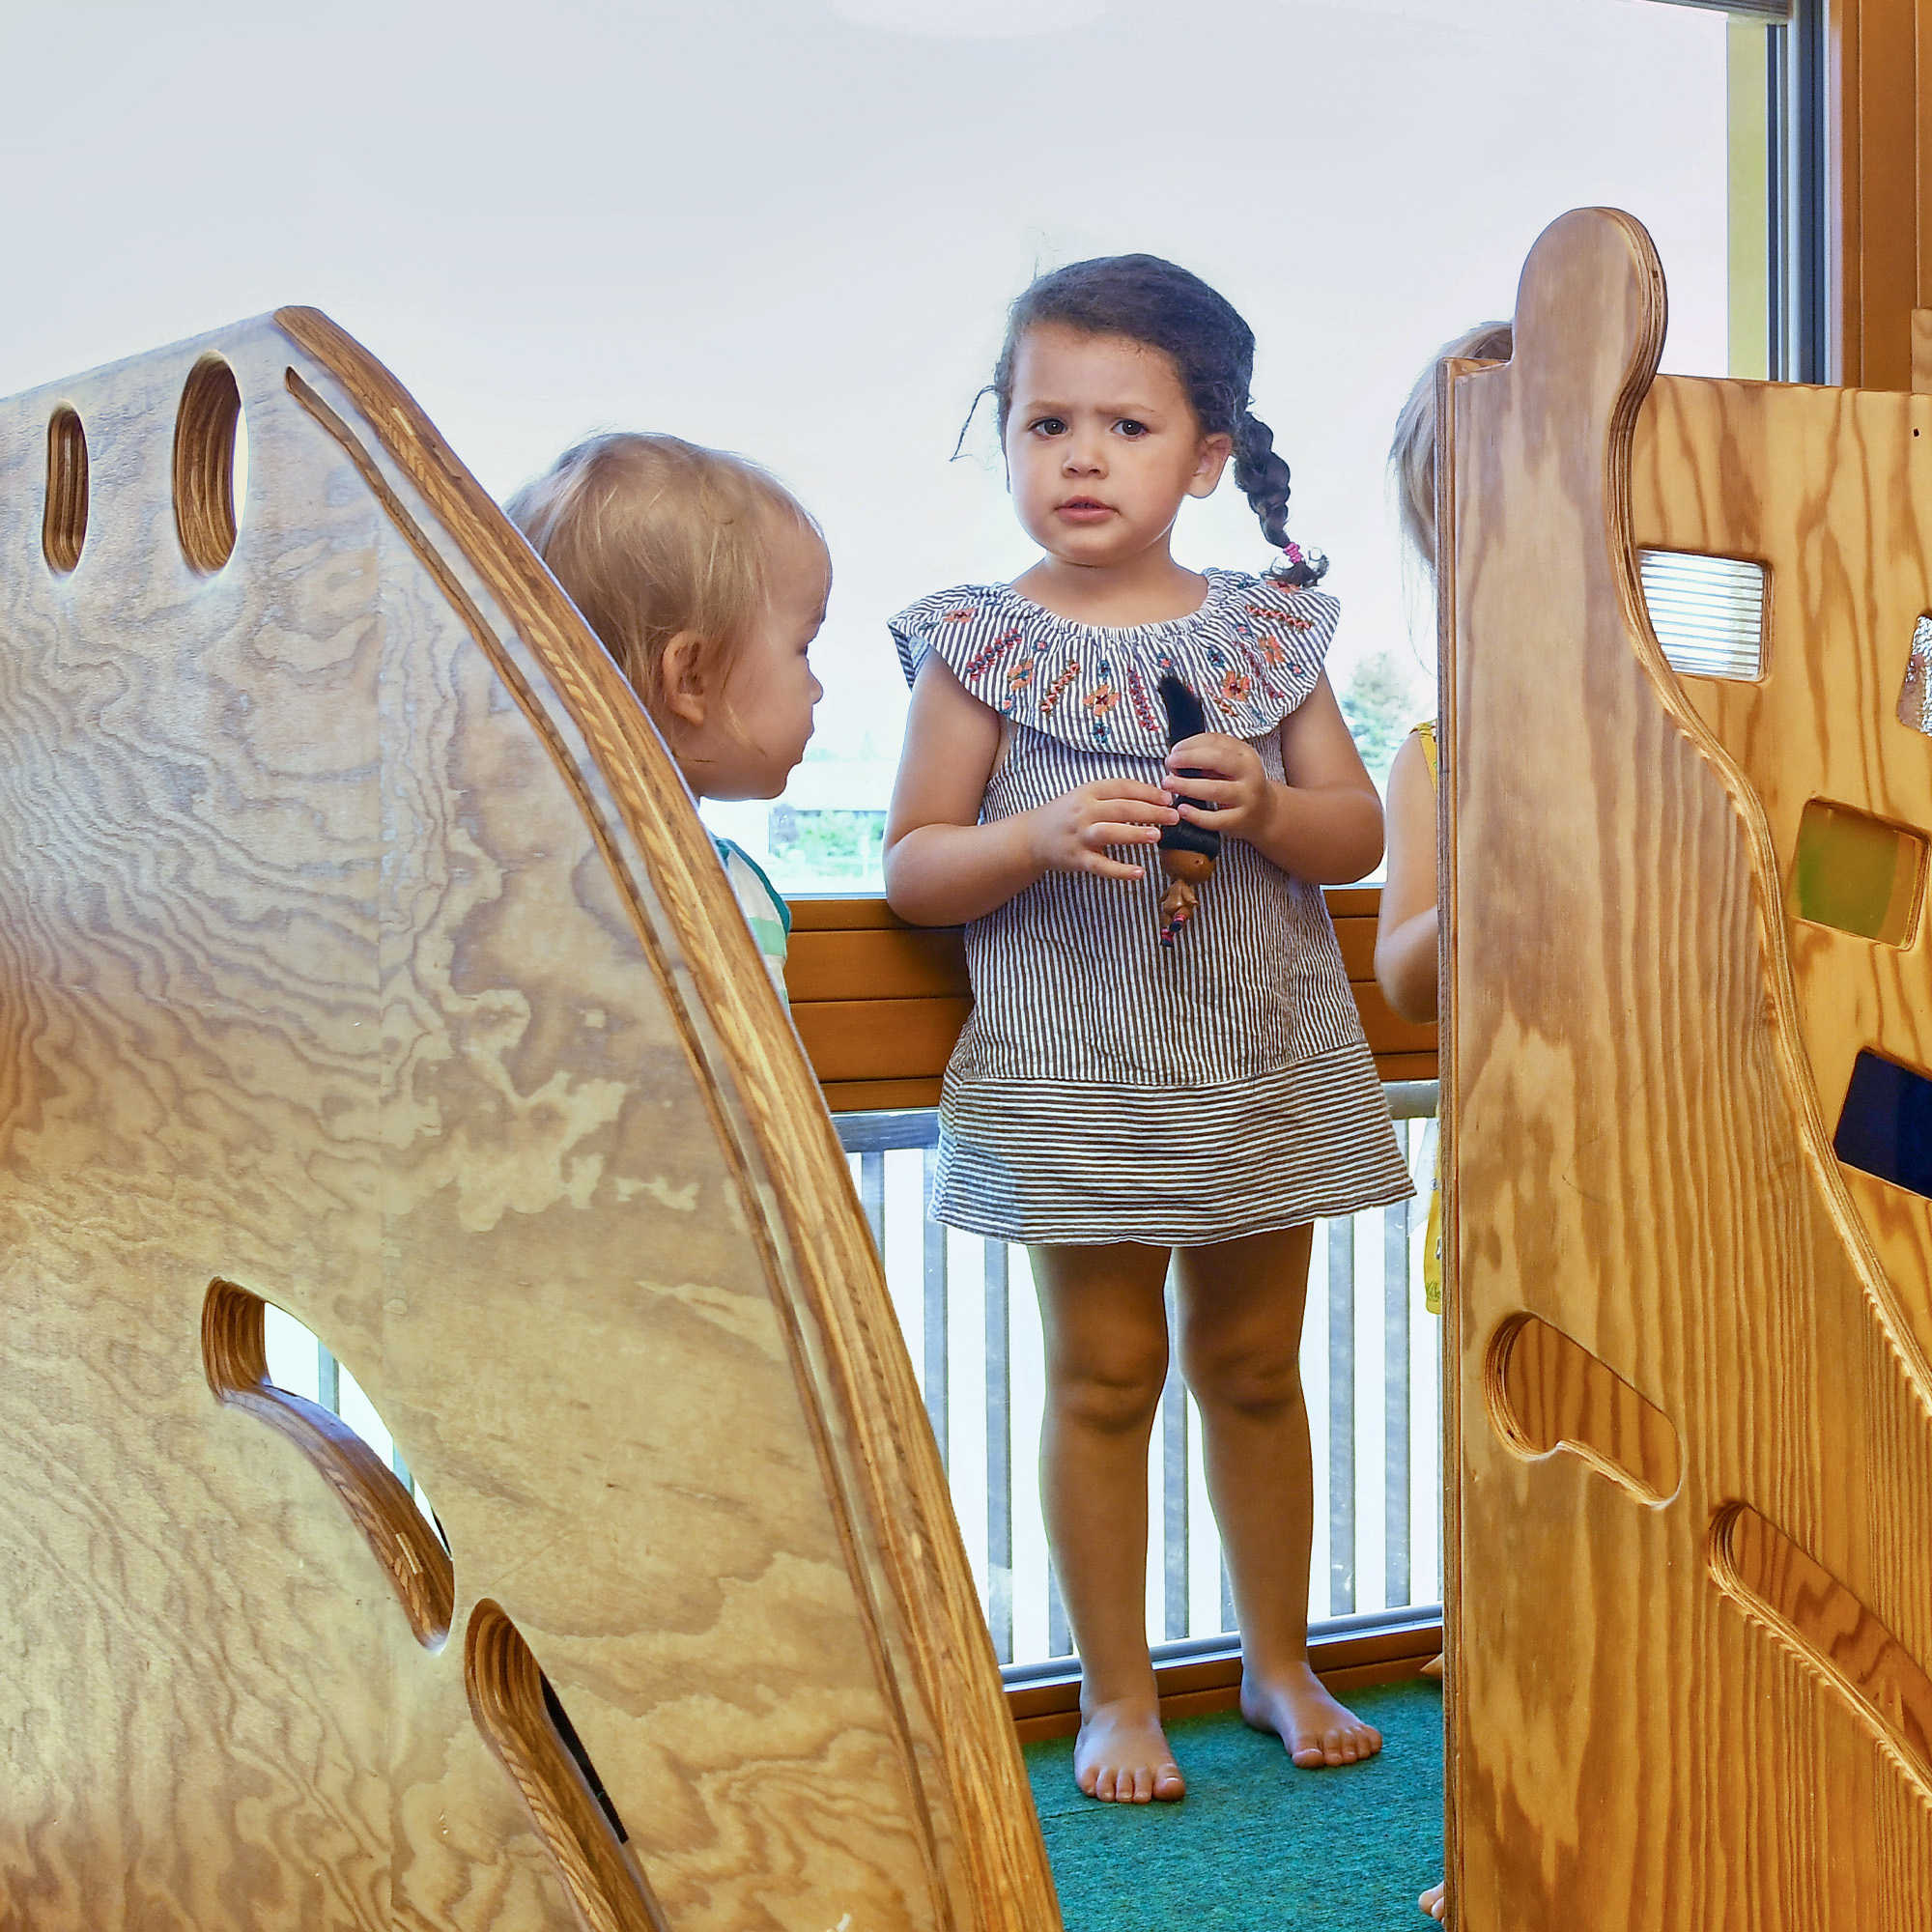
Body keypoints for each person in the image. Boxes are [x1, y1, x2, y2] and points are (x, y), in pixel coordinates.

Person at [883, 254, 1414, 1804]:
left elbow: (1356, 834)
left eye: (1124, 424)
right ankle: (1117, 1695)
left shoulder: (1272, 635)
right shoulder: (975, 642)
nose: (1083, 456)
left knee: (1256, 1366)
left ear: (1207, 454)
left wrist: (1270, 803)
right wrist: (1031, 839)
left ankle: (1278, 1657)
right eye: (1047, 423)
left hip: (1260, 1055)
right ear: (1007, 442)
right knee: (1103, 1376)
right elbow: (915, 865)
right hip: (1077, 1069)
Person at [1376, 317, 1513, 1925]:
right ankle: (1493, 1827)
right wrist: (1501, 863)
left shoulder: (1727, 696)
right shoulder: (1444, 744)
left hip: (1702, 1173)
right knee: (1508, 1520)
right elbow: (1408, 968)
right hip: (1518, 1182)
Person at [505, 433, 827, 1000]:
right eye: (803, 648)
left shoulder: (501, 884)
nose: (818, 688)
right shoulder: (722, 897)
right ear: (691, 677)